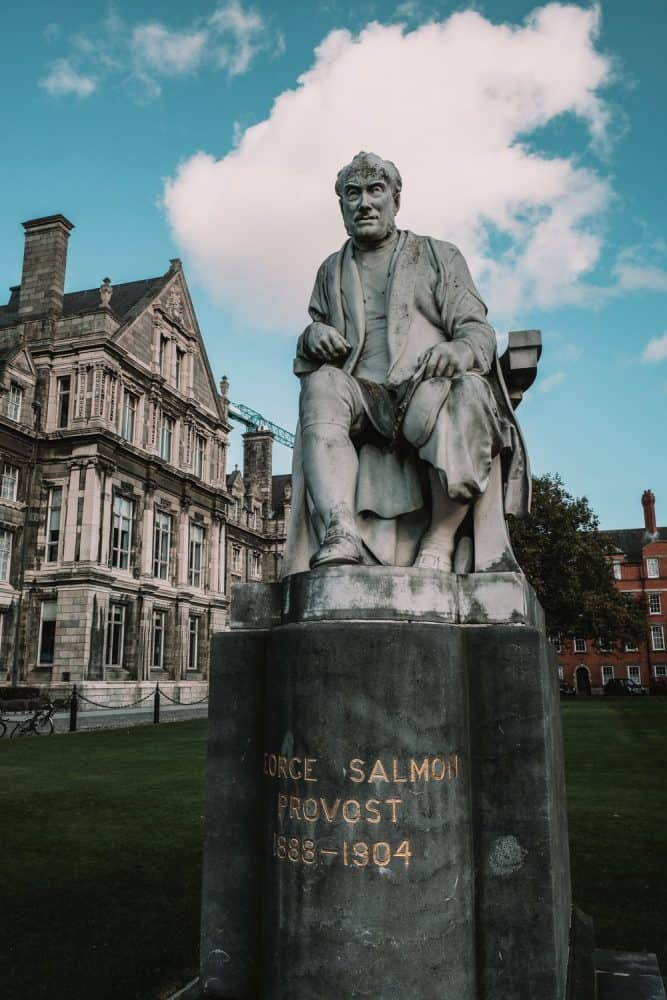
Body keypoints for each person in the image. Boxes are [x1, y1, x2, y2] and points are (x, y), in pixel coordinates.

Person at [282, 152, 530, 576]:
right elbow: (314, 341)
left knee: (467, 392)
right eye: (352, 194)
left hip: (426, 385)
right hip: (363, 392)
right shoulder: (330, 269)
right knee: (320, 387)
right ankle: (341, 531)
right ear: (341, 206)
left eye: (375, 191)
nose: (364, 203)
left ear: (396, 200)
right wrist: (312, 336)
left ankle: (440, 538)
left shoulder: (437, 255)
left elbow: (478, 331)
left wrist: (458, 351)